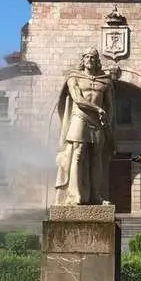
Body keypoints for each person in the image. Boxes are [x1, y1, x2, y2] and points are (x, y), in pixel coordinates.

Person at [55, 48, 115, 205]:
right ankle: (75, 194)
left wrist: (108, 123)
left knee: (97, 157)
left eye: (93, 57)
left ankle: (96, 196)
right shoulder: (74, 77)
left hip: (98, 122)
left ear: (97, 61)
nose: (90, 60)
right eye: (87, 57)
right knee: (78, 153)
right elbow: (77, 99)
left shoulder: (105, 81)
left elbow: (110, 106)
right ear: (83, 60)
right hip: (79, 117)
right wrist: (98, 109)